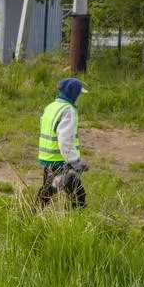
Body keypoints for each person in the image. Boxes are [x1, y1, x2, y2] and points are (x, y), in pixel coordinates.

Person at [37, 77, 88, 209]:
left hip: (47, 157)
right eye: (78, 93)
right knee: (78, 194)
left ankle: (33, 214)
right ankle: (77, 219)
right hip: (61, 160)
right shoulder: (68, 111)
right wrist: (74, 162)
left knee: (48, 190)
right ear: (73, 93)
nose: (78, 97)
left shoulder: (51, 107)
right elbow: (65, 139)